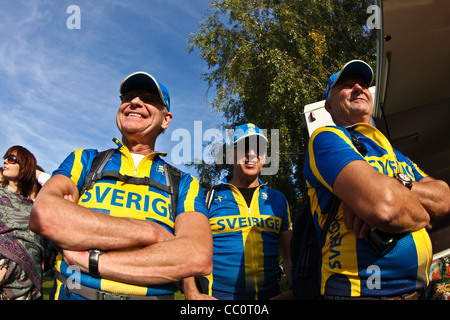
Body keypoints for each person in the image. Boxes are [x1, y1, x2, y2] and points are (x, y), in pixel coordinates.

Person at [30, 71, 213, 300]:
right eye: (129, 97)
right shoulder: (85, 160)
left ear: (166, 119)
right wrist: (153, 233)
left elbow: (196, 255)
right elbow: (44, 214)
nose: (135, 102)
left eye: (148, 99)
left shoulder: (184, 183)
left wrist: (92, 259)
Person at [303, 60, 450, 299]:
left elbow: (445, 198)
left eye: (363, 84)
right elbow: (385, 207)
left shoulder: (393, 153)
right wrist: (422, 214)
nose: (359, 88)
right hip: (362, 293)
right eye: (348, 85)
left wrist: (400, 186)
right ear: (329, 105)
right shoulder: (325, 139)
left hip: (418, 291)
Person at [183, 123, 292, 300]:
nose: (251, 154)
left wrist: (295, 290)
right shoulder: (207, 197)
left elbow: (288, 255)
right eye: (244, 148)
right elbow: (188, 247)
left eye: (258, 149)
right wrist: (190, 291)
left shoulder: (277, 200)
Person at [0, 146, 45, 300]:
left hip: (26, 289)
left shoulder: (35, 208)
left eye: (12, 159)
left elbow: (58, 188)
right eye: (6, 157)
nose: (5, 160)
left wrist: (33, 172)